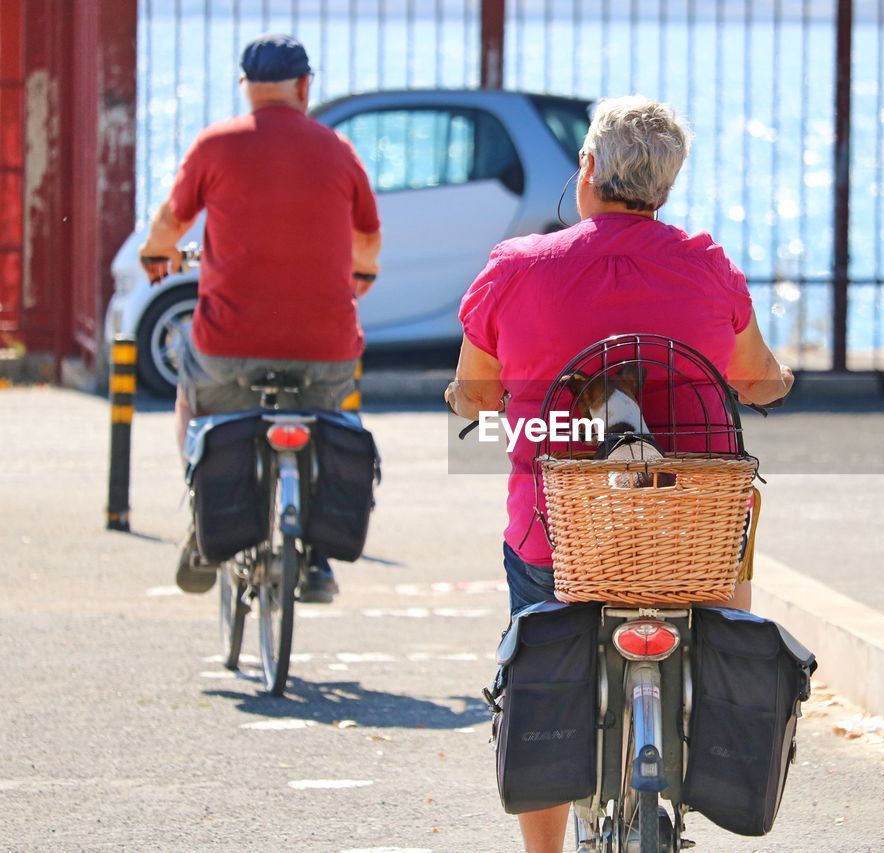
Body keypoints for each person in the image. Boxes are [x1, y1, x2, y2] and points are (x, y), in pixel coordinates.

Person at [444, 95, 793, 853]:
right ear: (664, 189)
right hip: (686, 537)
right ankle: (706, 748)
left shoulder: (517, 268)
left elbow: (477, 390)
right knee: (728, 600)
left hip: (560, 533)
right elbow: (757, 378)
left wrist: (491, 400)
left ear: (588, 169)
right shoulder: (706, 267)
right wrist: (776, 380)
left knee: (537, 663)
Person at [138, 33, 383, 601]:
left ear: (246, 88)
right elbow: (368, 236)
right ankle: (318, 561)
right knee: (328, 419)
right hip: (326, 346)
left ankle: (205, 522)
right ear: (304, 86)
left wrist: (157, 256)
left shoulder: (215, 145)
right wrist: (360, 275)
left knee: (192, 402)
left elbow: (169, 225)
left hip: (229, 345)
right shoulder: (337, 150)